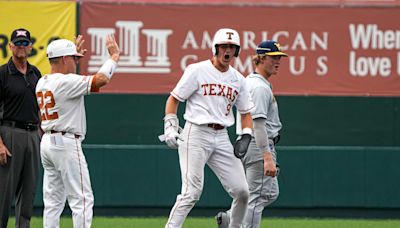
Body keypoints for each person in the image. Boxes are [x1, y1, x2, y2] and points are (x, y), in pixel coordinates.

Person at [163, 28, 255, 228]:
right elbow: (174, 99)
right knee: (191, 193)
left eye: (231, 47)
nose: (227, 51)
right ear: (215, 48)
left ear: (237, 51)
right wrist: (170, 126)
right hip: (195, 132)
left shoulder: (238, 79)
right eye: (223, 46)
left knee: (242, 191)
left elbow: (246, 113)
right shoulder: (197, 70)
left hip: (222, 135)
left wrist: (246, 135)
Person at [35, 34, 120, 228]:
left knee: (52, 202)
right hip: (65, 143)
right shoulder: (66, 82)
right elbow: (102, 79)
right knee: (82, 199)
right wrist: (113, 57)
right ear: (65, 59)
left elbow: (70, 79)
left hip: (48, 142)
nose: (77, 61)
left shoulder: (43, 81)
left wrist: (71, 55)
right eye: (74, 58)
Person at [216, 40, 288, 228]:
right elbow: (258, 125)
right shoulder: (259, 87)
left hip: (249, 143)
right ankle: (234, 222)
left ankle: (230, 218)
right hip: (258, 144)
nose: (278, 61)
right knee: (256, 198)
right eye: (273, 58)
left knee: (269, 193)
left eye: (279, 57)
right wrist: (267, 157)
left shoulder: (250, 81)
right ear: (261, 59)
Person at [0, 28, 42, 228]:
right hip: (10, 134)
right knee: (4, 193)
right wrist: (0, 144)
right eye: (18, 43)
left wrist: (41, 135)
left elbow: (40, 107)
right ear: (10, 46)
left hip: (33, 134)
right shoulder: (2, 73)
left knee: (28, 194)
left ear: (31, 46)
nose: (21, 47)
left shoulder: (35, 73)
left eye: (25, 43)